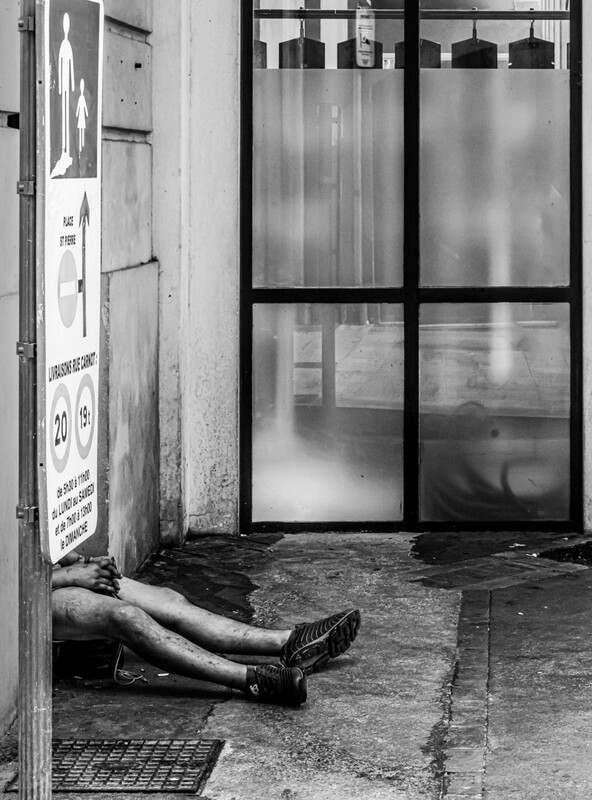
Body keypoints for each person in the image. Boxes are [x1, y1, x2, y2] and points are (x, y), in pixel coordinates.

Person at [52, 551, 361, 706]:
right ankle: (253, 680)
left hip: (56, 573)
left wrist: (81, 560)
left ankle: (288, 642)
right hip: (33, 595)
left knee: (169, 601)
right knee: (125, 617)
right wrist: (69, 577)